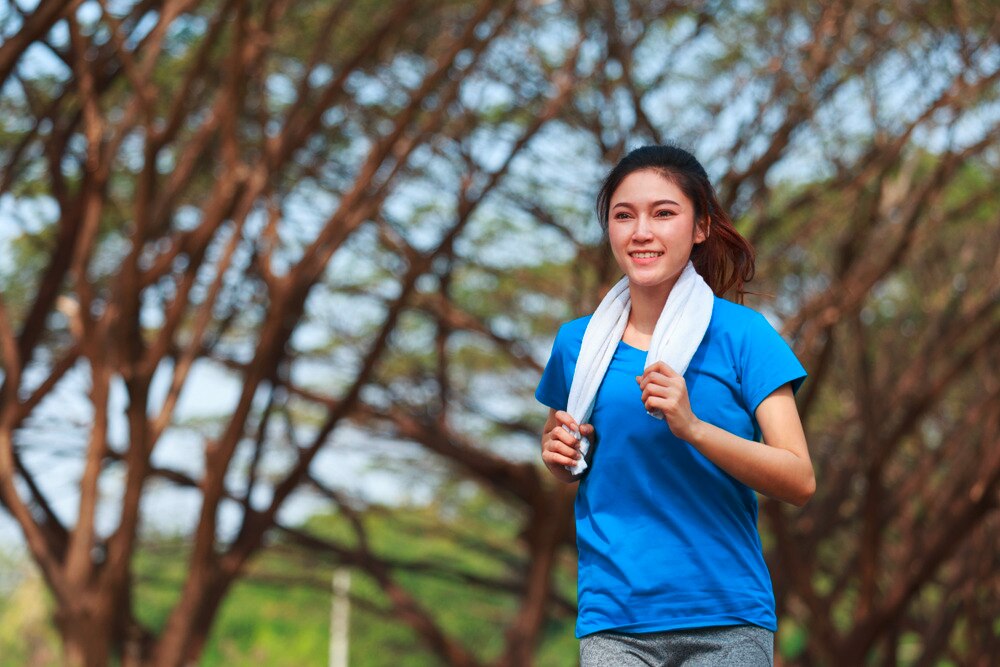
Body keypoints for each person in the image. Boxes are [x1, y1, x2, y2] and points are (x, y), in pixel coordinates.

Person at [535, 145, 815, 666]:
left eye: (664, 213)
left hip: (726, 617)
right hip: (613, 619)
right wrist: (555, 457)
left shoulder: (744, 335)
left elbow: (799, 479)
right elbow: (572, 456)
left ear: (701, 226)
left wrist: (693, 427)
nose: (642, 231)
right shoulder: (578, 345)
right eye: (624, 216)